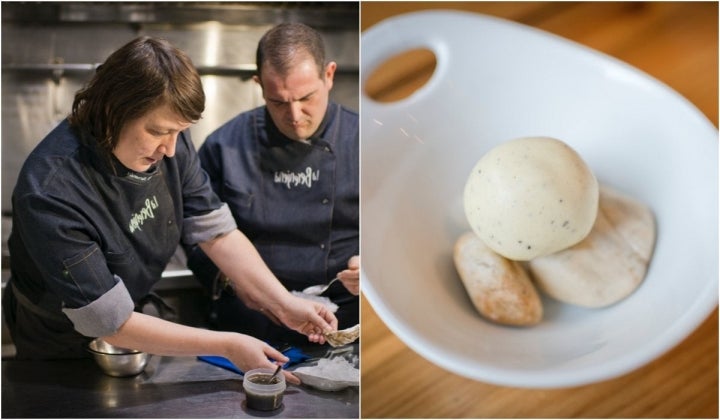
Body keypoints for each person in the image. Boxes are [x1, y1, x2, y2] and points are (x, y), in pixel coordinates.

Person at [1, 36, 337, 385]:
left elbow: (216, 231)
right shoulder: (51, 191)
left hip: (131, 322)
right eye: (158, 132)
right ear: (112, 112)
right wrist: (228, 345)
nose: (171, 149)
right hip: (57, 339)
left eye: (179, 132)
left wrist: (284, 303)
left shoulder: (169, 133)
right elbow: (109, 322)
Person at [186, 22, 359, 347]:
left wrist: (374, 268)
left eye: (306, 97)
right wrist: (236, 284)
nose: (294, 114)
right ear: (258, 85)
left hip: (343, 330)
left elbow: (401, 230)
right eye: (278, 102)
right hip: (248, 329)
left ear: (329, 75)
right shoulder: (224, 146)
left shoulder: (368, 143)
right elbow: (194, 236)